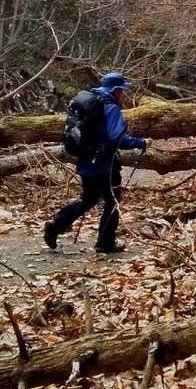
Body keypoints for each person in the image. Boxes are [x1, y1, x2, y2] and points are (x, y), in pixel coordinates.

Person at [43, 72, 147, 254]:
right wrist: (141, 142)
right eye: (121, 90)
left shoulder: (90, 100)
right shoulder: (110, 107)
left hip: (86, 159)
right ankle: (105, 243)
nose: (123, 94)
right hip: (105, 163)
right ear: (115, 90)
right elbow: (118, 139)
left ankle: (56, 225)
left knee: (88, 198)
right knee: (113, 201)